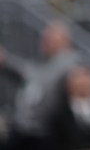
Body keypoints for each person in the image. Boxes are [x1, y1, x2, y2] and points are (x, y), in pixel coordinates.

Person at [1, 21, 82, 150]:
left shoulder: (68, 64)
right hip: (24, 128)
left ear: (65, 41)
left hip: (44, 131)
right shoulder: (44, 62)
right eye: (45, 38)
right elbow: (28, 73)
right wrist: (6, 61)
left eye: (51, 38)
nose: (46, 42)